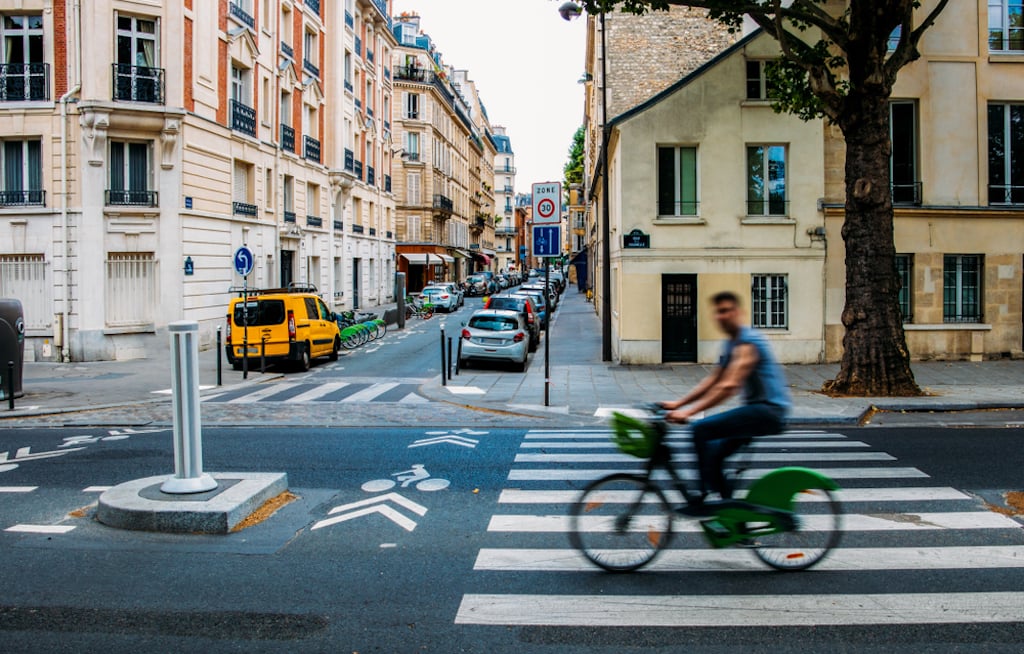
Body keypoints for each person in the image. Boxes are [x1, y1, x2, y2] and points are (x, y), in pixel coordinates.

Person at [660, 291, 791, 513]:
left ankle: (700, 494)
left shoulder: (748, 343)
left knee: (700, 430)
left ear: (738, 312)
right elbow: (713, 380)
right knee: (714, 454)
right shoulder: (732, 344)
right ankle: (729, 514)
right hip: (756, 411)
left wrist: (689, 413)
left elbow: (729, 385)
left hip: (768, 411)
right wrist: (678, 404)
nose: (722, 315)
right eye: (718, 312)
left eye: (726, 310)